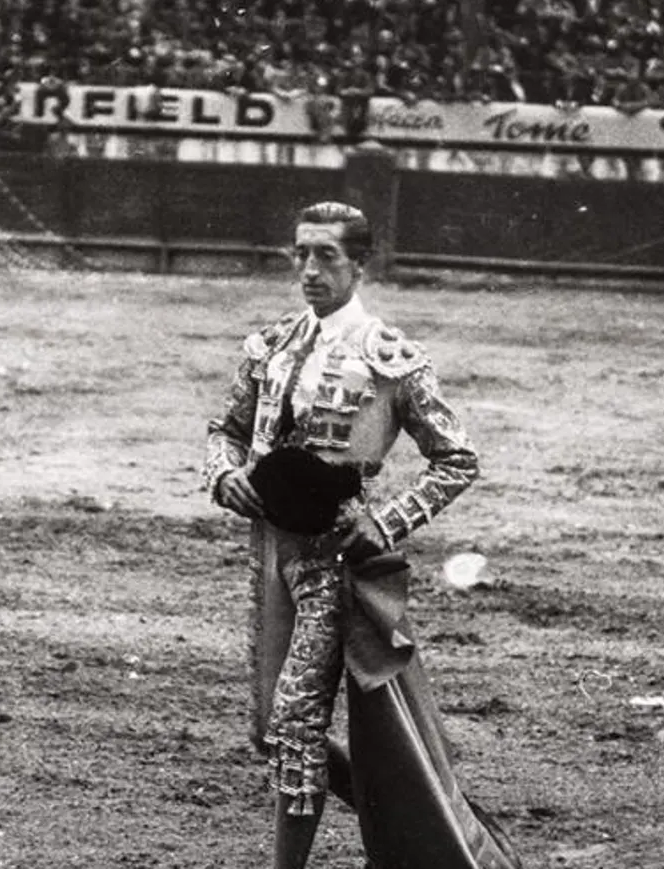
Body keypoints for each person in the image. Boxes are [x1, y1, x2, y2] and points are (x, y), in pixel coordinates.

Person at [205, 202, 521, 869]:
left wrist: (386, 521)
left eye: (325, 255)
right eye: (300, 253)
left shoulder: (391, 358)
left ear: (359, 262)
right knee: (270, 730)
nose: (309, 269)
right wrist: (223, 472)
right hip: (267, 552)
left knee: (294, 728)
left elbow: (457, 458)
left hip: (333, 563)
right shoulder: (270, 344)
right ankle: (428, 820)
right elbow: (226, 429)